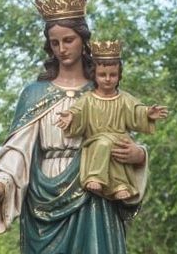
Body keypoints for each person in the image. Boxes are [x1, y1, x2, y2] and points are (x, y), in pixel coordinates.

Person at [0, 0, 150, 254]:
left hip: (94, 194)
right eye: (54, 42)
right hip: (43, 200)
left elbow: (121, 137)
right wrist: (2, 184)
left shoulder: (102, 92)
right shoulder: (34, 94)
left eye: (68, 40)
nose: (62, 48)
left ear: (83, 41)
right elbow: (18, 148)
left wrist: (138, 154)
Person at [56, 40, 167, 201]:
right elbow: (78, 111)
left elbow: (136, 111)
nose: (107, 79)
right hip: (96, 141)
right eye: (102, 75)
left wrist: (148, 113)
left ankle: (121, 184)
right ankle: (94, 176)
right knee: (104, 143)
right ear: (94, 75)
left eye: (112, 75)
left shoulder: (124, 99)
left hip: (120, 140)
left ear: (119, 76)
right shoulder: (88, 99)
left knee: (119, 147)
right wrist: (71, 117)